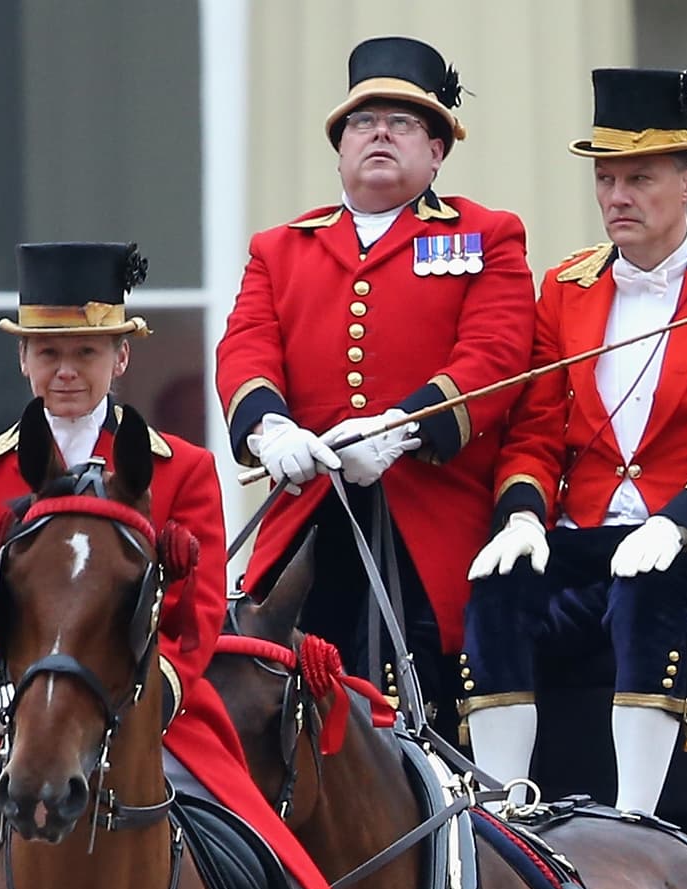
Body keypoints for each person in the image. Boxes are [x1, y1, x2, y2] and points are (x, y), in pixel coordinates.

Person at [0, 241, 347, 889]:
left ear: (121, 356)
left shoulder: (184, 470)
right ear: (21, 358)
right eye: (47, 351)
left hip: (156, 721)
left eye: (85, 352)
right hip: (5, 718)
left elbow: (200, 612)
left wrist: (147, 693)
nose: (65, 370)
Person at [461, 67, 687, 815]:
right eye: (606, 178)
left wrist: (679, 521)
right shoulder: (567, 285)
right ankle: (502, 809)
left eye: (639, 178)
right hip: (593, 525)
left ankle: (638, 817)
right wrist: (523, 513)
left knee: (647, 591)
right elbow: (533, 431)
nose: (616, 197)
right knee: (497, 587)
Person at [215, 34, 536, 721]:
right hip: (307, 513)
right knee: (269, 696)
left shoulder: (488, 235)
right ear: (340, 147)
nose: (380, 134)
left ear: (438, 150)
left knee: (419, 722)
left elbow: (497, 355)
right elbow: (245, 347)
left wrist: (399, 429)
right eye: (363, 121)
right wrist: (270, 430)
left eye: (404, 123)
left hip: (429, 515)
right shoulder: (281, 247)